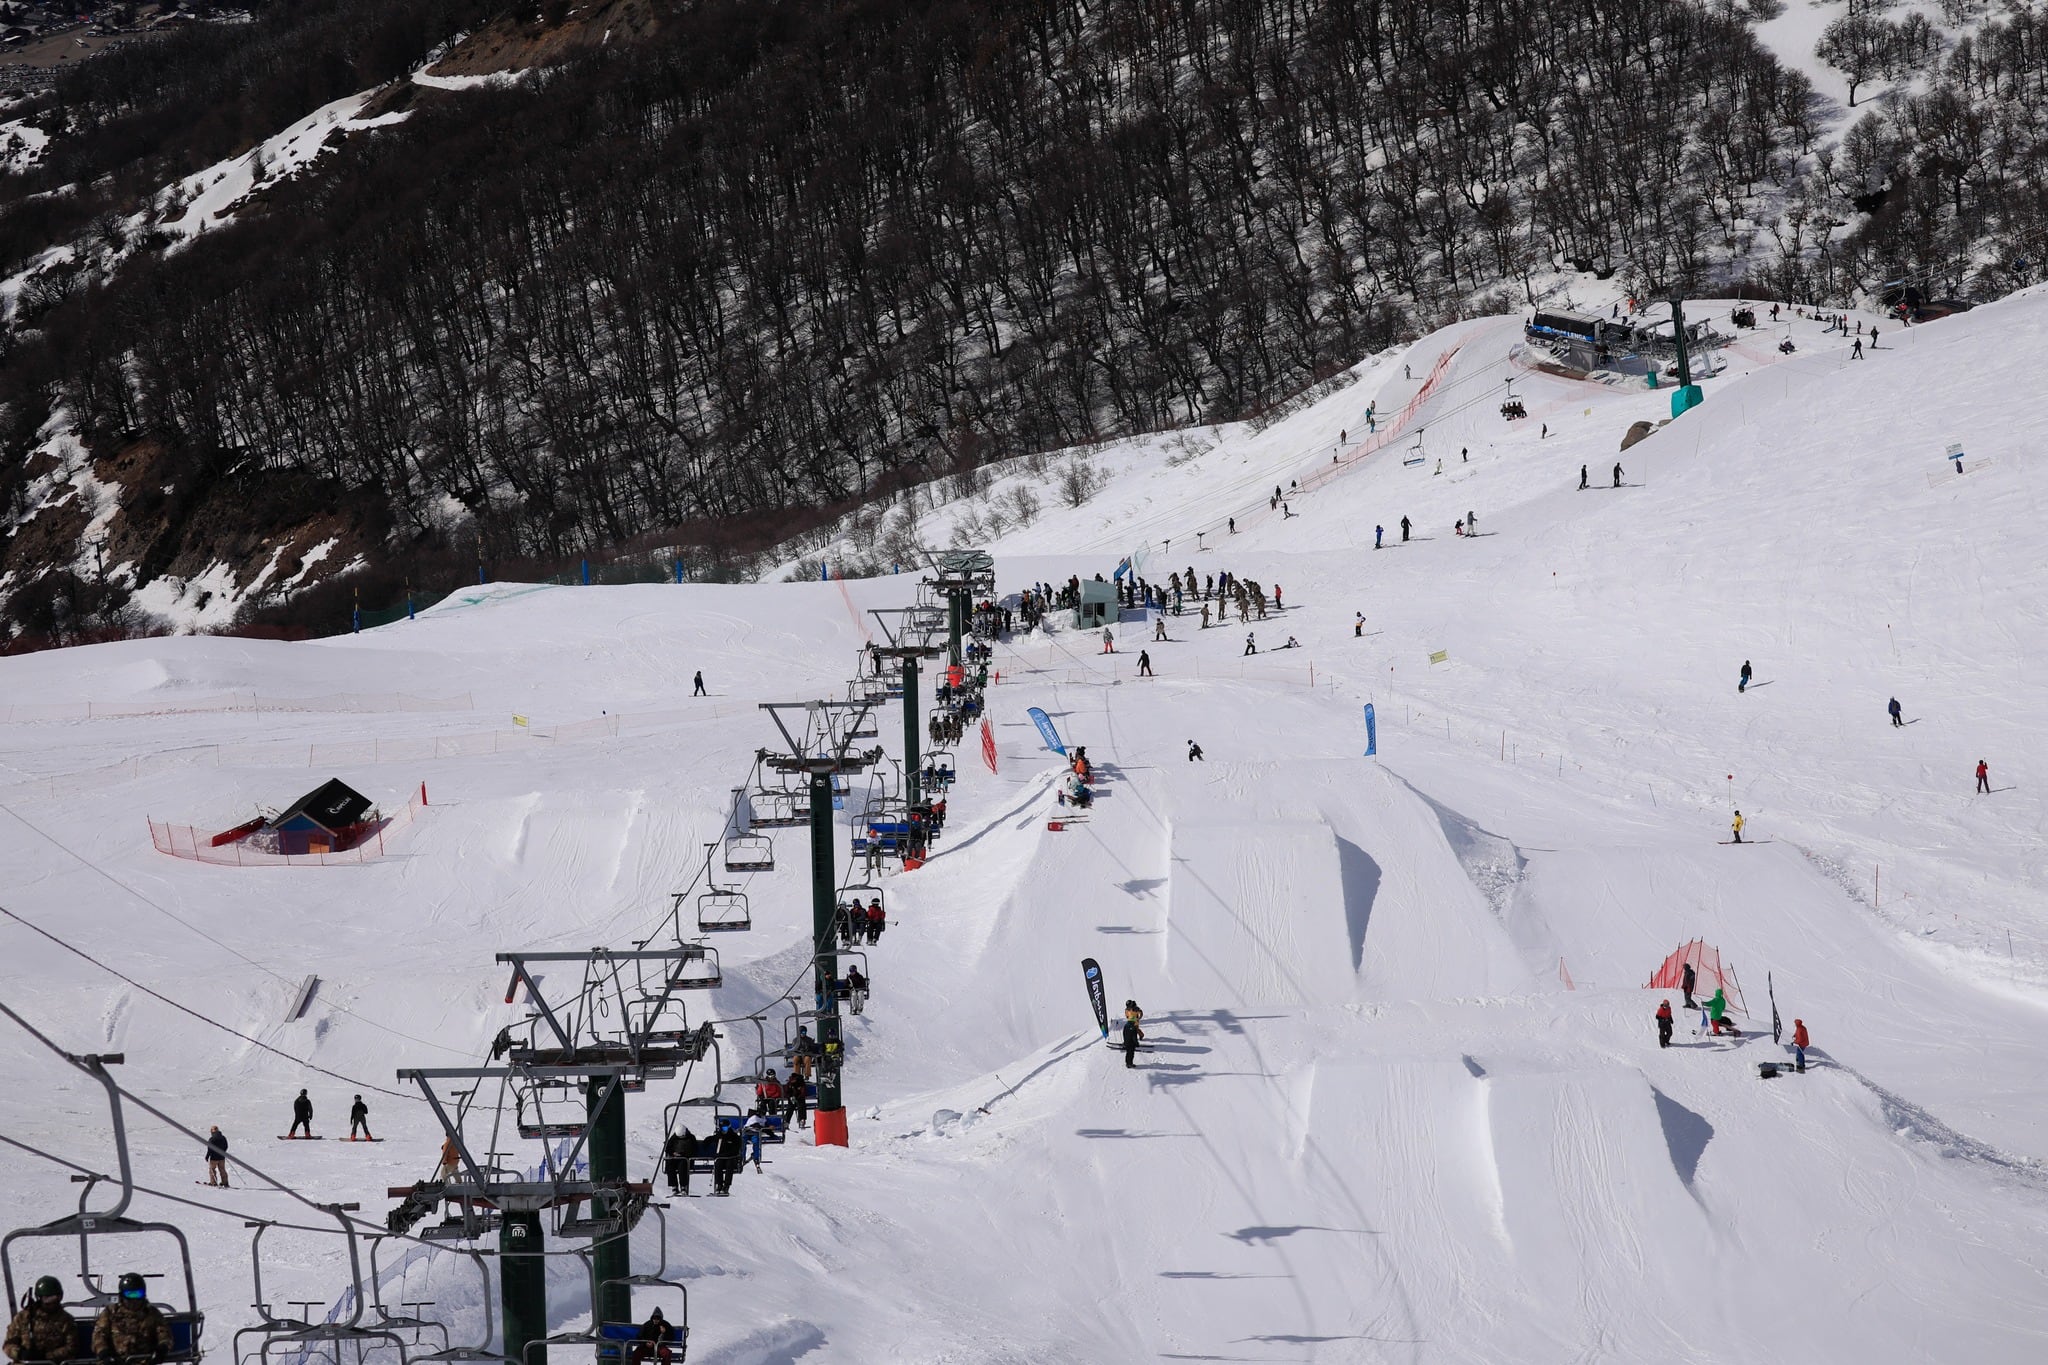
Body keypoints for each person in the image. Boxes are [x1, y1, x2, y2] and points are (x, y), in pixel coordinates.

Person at [92, 1274, 173, 1365]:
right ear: (122, 1295)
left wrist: (161, 1350)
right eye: (130, 1294)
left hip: (144, 1360)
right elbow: (99, 1335)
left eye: (138, 1294)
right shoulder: (111, 1312)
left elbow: (164, 1333)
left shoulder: (151, 1313)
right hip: (116, 1361)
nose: (134, 1300)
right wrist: (104, 1354)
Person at [5, 1275, 74, 1364]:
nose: (52, 1303)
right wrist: (20, 1353)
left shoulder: (66, 1320)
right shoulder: (23, 1318)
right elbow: (8, 1344)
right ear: (39, 1298)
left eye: (55, 1298)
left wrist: (46, 1356)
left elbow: (71, 1347)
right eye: (47, 1299)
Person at [712, 1124, 742, 1196]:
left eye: (725, 1128)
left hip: (731, 1158)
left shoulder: (734, 1137)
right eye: (722, 1128)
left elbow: (736, 1149)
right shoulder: (719, 1136)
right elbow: (713, 1141)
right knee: (718, 1164)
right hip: (721, 1157)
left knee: (729, 1165)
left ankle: (726, 1186)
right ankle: (719, 1184)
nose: (723, 1130)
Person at [662, 1130, 694, 1196]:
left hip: (685, 1159)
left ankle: (683, 1186)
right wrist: (673, 1153)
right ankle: (674, 1186)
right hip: (675, 1158)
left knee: (682, 1166)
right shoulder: (674, 1137)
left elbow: (692, 1150)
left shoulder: (690, 1138)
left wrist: (682, 1154)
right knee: (669, 1165)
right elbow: (668, 1148)